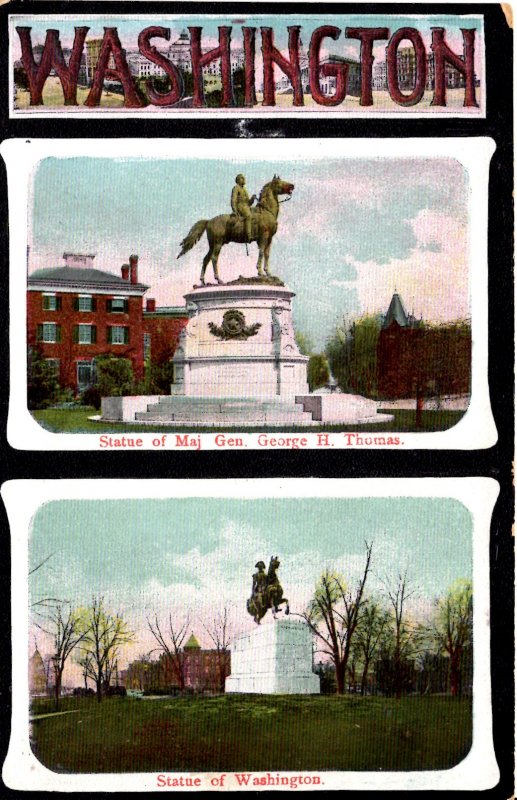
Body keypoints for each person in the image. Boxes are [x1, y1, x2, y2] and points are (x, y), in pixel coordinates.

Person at [231, 174, 256, 243]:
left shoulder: (244, 189)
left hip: (246, 206)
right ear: (238, 180)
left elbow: (248, 203)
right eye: (242, 178)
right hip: (240, 206)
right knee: (248, 216)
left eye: (243, 178)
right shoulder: (236, 188)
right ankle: (248, 235)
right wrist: (234, 210)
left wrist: (252, 199)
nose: (244, 179)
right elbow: (233, 200)